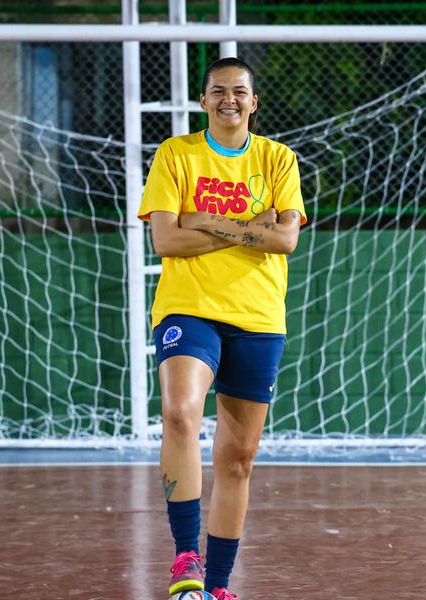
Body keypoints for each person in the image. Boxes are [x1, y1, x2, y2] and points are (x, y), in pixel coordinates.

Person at [137, 56, 306, 600]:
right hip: (189, 307)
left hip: (258, 317)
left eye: (238, 91)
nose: (228, 99)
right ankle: (185, 557)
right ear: (203, 100)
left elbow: (285, 239)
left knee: (238, 459)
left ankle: (217, 587)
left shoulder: (278, 159)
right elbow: (166, 240)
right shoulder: (176, 155)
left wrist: (205, 220)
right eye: (218, 91)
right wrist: (248, 226)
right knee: (179, 413)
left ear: (253, 103)